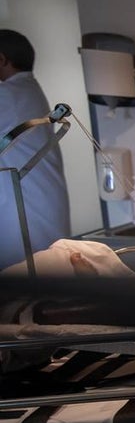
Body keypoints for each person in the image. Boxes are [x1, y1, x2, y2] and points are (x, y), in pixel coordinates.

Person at [0, 30, 70, 270]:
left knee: (31, 276)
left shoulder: (9, 94)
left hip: (27, 208)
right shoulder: (27, 89)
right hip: (39, 201)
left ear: (2, 59)